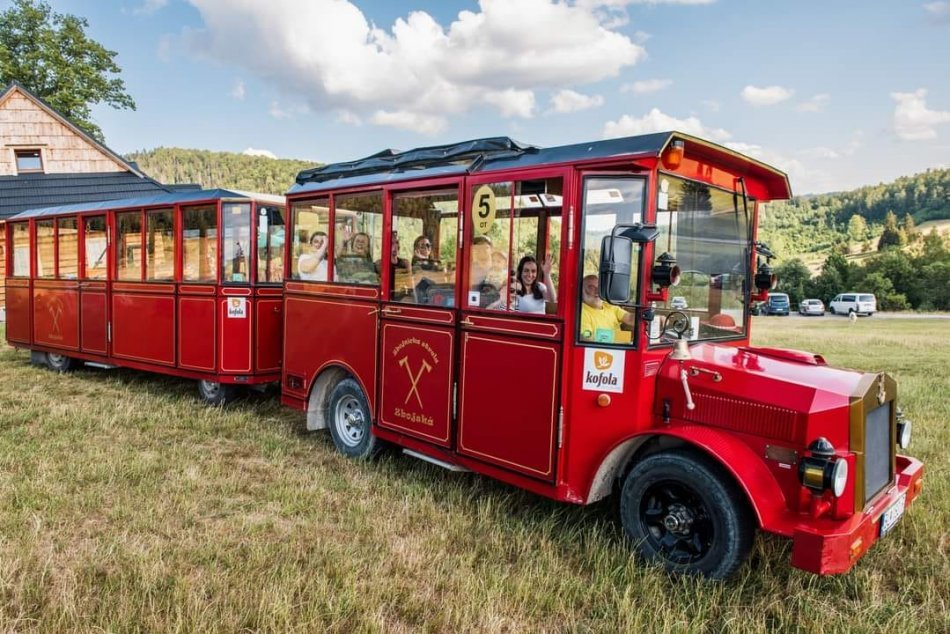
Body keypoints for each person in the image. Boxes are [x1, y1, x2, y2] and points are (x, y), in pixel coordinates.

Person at [580, 274, 635, 342]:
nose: (597, 292)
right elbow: (587, 337)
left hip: (620, 349)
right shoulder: (581, 312)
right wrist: (623, 337)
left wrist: (643, 316)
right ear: (582, 291)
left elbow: (629, 318)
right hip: (601, 351)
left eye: (599, 288)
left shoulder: (608, 306)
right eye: (591, 288)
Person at [376, 232, 411, 297]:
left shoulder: (405, 263)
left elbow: (409, 284)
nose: (395, 246)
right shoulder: (380, 264)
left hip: (403, 297)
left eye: (397, 243)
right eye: (392, 243)